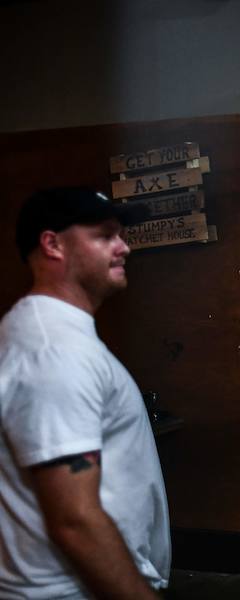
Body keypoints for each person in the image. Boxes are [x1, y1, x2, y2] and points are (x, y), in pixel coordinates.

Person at [0, 187, 170, 599]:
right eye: (105, 235)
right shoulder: (55, 351)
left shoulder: (54, 335)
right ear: (52, 244)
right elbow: (74, 520)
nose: (123, 248)